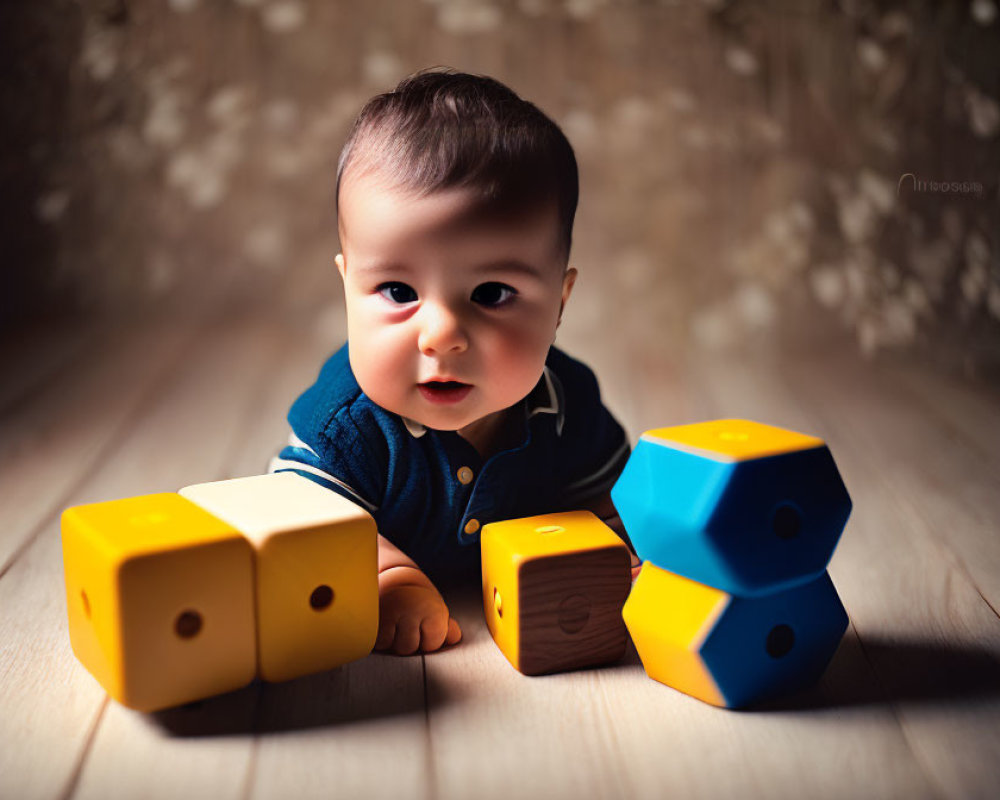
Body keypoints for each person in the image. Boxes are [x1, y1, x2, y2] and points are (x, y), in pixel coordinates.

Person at [270, 67, 634, 656]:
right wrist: (388, 577)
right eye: (397, 291)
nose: (440, 336)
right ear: (346, 289)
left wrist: (618, 550)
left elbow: (606, 495)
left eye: (491, 294)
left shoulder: (564, 403)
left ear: (559, 304)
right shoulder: (351, 425)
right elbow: (301, 517)